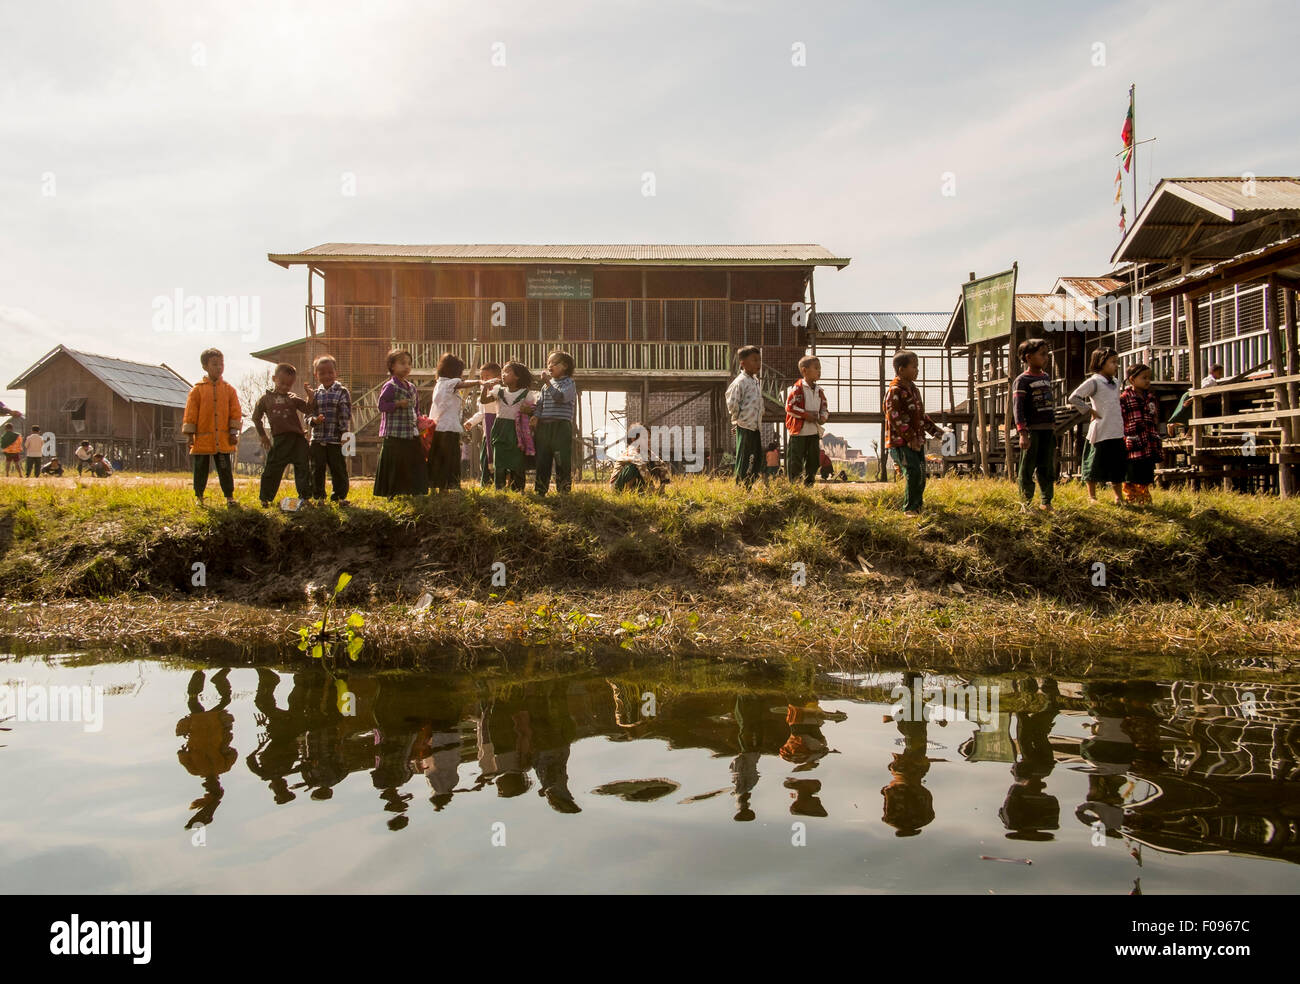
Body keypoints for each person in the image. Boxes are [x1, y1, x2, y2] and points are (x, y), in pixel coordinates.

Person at [883, 350, 944, 516]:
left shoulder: (914, 390)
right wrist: (909, 437)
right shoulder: (894, 391)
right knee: (913, 472)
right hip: (901, 443)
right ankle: (909, 509)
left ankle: (918, 508)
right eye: (914, 367)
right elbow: (893, 417)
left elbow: (920, 416)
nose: (917, 370)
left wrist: (935, 431)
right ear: (901, 369)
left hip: (917, 441)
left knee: (921, 474)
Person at [182, 348, 242, 506]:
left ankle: (229, 497)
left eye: (221, 364)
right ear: (205, 366)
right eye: (214, 364)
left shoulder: (229, 390)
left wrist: (233, 432)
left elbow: (235, 412)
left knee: (224, 469)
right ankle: (199, 497)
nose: (219, 367)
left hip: (222, 438)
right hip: (203, 438)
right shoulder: (197, 390)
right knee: (200, 469)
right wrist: (189, 435)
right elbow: (190, 413)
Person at [1069, 347, 1126, 505]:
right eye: (1113, 362)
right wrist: (1089, 410)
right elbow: (1074, 397)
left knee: (1117, 464)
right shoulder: (1094, 382)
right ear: (1101, 363)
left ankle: (1118, 496)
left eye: (1117, 362)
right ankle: (1092, 496)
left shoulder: (1115, 382)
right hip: (1101, 429)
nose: (1116, 366)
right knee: (1093, 463)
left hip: (1115, 429)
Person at [252, 363, 313, 507]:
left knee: (303, 467)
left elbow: (308, 409)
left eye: (289, 385)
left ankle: (305, 497)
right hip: (280, 440)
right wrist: (263, 436)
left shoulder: (292, 398)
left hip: (298, 439)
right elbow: (256, 418)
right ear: (274, 378)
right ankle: (265, 499)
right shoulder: (265, 399)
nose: (285, 387)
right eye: (282, 383)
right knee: (273, 468)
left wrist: (310, 397)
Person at [373, 349, 428, 497]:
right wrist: (397, 404)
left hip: (411, 432)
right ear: (392, 366)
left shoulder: (412, 387)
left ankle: (416, 491)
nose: (407, 367)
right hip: (394, 433)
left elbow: (415, 410)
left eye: (409, 363)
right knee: (395, 464)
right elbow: (381, 406)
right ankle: (392, 492)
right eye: (402, 363)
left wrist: (420, 421)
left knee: (415, 460)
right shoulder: (390, 386)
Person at [1013, 338, 1056, 512]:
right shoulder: (1022, 380)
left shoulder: (1045, 377)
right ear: (1029, 358)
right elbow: (1018, 408)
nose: (1046, 357)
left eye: (1047, 354)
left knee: (1047, 467)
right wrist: (1022, 432)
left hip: (1047, 430)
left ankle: (1046, 501)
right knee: (1027, 468)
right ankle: (1026, 503)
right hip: (1032, 431)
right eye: (1042, 354)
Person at [426, 353, 479, 492]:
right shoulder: (450, 383)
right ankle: (446, 488)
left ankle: (434, 488)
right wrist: (479, 382)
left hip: (438, 427)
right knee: (449, 459)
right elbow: (462, 383)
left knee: (437, 459)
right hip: (448, 428)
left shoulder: (439, 384)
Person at [304, 354, 352, 503]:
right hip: (317, 439)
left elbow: (345, 414)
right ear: (316, 375)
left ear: (336, 372)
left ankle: (339, 496)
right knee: (317, 469)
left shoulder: (342, 391)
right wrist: (314, 420)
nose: (327, 376)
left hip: (336, 440)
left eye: (330, 372)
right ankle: (319, 497)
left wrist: (345, 435)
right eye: (322, 373)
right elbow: (307, 415)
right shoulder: (314, 394)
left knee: (338, 469)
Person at [481, 361, 533, 491]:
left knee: (517, 460)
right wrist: (485, 388)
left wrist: (528, 410)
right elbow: (484, 400)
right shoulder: (499, 391)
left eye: (507, 372)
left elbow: (532, 409)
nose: (503, 375)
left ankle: (518, 489)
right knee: (499, 460)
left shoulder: (525, 393)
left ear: (517, 376)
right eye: (502, 372)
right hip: (500, 428)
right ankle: (499, 488)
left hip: (517, 431)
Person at [534, 351, 577, 495]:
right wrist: (536, 416)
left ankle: (563, 491)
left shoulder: (569, 383)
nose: (550, 366)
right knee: (542, 459)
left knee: (561, 459)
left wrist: (547, 383)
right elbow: (540, 404)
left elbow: (559, 397)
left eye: (554, 363)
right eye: (548, 363)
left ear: (564, 366)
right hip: (544, 427)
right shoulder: (546, 385)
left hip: (561, 427)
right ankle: (540, 491)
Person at [784, 355, 829, 487]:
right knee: (795, 460)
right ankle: (794, 485)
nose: (819, 371)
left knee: (813, 460)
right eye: (816, 368)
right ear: (804, 371)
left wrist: (823, 417)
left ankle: (809, 483)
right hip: (798, 432)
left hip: (813, 432)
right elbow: (789, 407)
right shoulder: (797, 389)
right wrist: (805, 415)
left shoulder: (819, 391)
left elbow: (824, 407)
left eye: (820, 368)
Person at [1120, 363, 1161, 505]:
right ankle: (1131, 498)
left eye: (1149, 378)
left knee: (1146, 470)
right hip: (1133, 440)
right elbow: (1121, 418)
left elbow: (1155, 417)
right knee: (1132, 471)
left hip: (1148, 440)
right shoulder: (1125, 397)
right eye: (1144, 378)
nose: (1148, 381)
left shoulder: (1150, 397)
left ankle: (1144, 498)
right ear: (1132, 380)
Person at [726, 346, 764, 487]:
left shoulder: (755, 381)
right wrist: (736, 421)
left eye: (759, 360)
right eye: (754, 360)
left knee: (757, 457)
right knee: (744, 456)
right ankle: (739, 485)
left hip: (755, 426)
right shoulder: (740, 381)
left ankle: (749, 484)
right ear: (742, 363)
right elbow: (733, 403)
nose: (758, 363)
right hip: (745, 425)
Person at [476, 361, 501, 487]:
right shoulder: (483, 391)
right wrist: (471, 422)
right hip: (486, 429)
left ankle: (491, 482)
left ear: (498, 377)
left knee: (495, 457)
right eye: (482, 378)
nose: (484, 380)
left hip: (496, 427)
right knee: (484, 457)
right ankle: (486, 483)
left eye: (487, 377)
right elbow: (481, 412)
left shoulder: (499, 390)